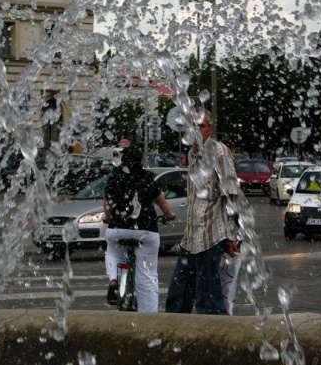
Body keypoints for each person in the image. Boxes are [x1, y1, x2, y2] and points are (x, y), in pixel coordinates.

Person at [165, 110, 239, 315]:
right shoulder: (191, 154)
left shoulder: (219, 152)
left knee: (208, 299)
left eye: (202, 126)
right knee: (177, 296)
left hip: (210, 236)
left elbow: (232, 195)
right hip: (190, 238)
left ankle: (213, 339)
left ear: (210, 129)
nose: (197, 131)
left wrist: (232, 236)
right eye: (193, 126)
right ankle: (175, 338)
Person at [102, 146, 176, 312]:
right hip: (146, 230)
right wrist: (169, 214)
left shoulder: (115, 179)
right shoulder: (147, 179)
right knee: (147, 275)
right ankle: (148, 318)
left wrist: (108, 217)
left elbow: (107, 202)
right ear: (141, 161)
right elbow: (161, 201)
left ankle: (113, 279)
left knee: (113, 252)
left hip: (118, 228)